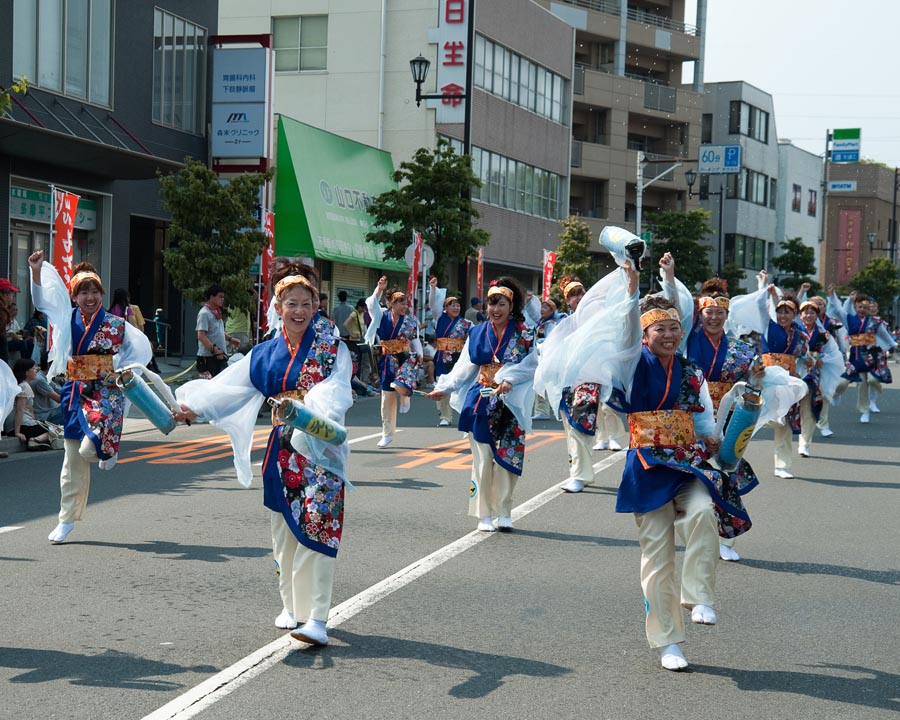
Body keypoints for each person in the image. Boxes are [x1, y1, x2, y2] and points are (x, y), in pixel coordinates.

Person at [176, 257, 352, 647]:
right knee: (284, 533)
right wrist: (193, 408)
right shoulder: (265, 353)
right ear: (277, 306)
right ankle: (291, 605)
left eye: (307, 302)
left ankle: (317, 618)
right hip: (281, 450)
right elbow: (230, 388)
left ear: (316, 305)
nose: (300, 310)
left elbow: (338, 390)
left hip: (319, 452)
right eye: (291, 302)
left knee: (318, 527)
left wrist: (314, 409)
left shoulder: (332, 348)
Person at [604, 260, 754, 671]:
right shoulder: (630, 365)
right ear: (646, 335)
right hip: (647, 467)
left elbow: (703, 417)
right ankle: (668, 641)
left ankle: (699, 594)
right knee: (657, 559)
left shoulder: (692, 372)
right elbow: (624, 329)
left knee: (705, 510)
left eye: (674, 328)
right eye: (659, 330)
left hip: (687, 463)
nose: (668, 335)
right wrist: (632, 287)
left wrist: (721, 440)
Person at [28, 250, 152, 544]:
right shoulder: (64, 317)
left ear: (102, 294)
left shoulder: (116, 324)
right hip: (74, 391)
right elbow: (41, 300)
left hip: (105, 393)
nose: (90, 296)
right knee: (72, 462)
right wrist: (35, 272)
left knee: (88, 450)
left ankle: (108, 446)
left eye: (95, 291)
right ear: (74, 296)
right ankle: (66, 519)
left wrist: (127, 374)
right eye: (84, 292)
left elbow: (139, 351)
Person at [428, 278, 538, 532]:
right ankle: (484, 514)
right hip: (481, 400)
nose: (495, 309)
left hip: (511, 403)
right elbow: (464, 368)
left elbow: (531, 365)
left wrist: (510, 379)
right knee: (482, 459)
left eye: (501, 304)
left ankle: (504, 512)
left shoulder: (524, 332)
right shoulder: (477, 333)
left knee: (508, 459)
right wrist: (443, 388)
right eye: (491, 304)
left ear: (512, 306)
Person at [365, 277, 421, 448]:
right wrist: (379, 289)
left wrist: (418, 355)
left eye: (405, 303)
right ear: (391, 303)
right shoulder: (381, 316)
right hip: (387, 358)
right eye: (400, 303)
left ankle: (405, 395)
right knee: (387, 396)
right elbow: (371, 305)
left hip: (405, 358)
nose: (404, 306)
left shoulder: (411, 321)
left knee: (402, 385)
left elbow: (415, 340)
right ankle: (387, 433)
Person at [828, 289, 895, 424]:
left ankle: (865, 411)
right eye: (860, 307)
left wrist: (893, 344)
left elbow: (884, 334)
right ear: (856, 307)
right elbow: (839, 310)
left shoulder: (875, 321)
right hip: (854, 356)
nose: (862, 309)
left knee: (867, 382)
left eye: (865, 307)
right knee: (842, 382)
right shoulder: (849, 319)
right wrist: (832, 295)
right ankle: (835, 395)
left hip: (869, 356)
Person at [428, 277, 472, 427]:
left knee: (460, 386)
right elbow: (433, 304)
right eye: (452, 305)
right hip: (442, 357)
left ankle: (465, 413)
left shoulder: (466, 323)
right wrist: (433, 289)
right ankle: (445, 416)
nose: (456, 307)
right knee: (442, 384)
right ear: (445, 308)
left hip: (459, 358)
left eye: (458, 305)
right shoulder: (439, 318)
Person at [196, 284, 240, 378]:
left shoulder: (217, 311)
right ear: (211, 297)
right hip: (208, 357)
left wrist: (230, 339)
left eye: (223, 297)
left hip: (220, 355)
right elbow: (201, 336)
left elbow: (217, 331)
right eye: (220, 297)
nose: (222, 299)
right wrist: (215, 350)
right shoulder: (204, 313)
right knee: (211, 386)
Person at [12, 357, 52, 451]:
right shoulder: (23, 386)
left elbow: (29, 409)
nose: (36, 371)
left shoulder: (24, 385)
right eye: (34, 369)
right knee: (53, 430)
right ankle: (34, 440)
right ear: (26, 372)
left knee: (51, 427)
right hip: (23, 425)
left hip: (25, 423)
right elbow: (19, 410)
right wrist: (17, 432)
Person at [344, 298, 374, 386]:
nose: (365, 310)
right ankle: (356, 383)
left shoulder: (362, 314)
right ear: (360, 306)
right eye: (364, 308)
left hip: (360, 340)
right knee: (356, 363)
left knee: (361, 362)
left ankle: (361, 383)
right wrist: (351, 334)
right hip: (354, 341)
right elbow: (346, 324)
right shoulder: (354, 313)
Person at [31, 351, 63, 425]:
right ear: (49, 365)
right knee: (68, 408)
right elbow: (59, 399)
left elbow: (59, 390)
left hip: (49, 412)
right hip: (42, 416)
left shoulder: (46, 377)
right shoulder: (40, 380)